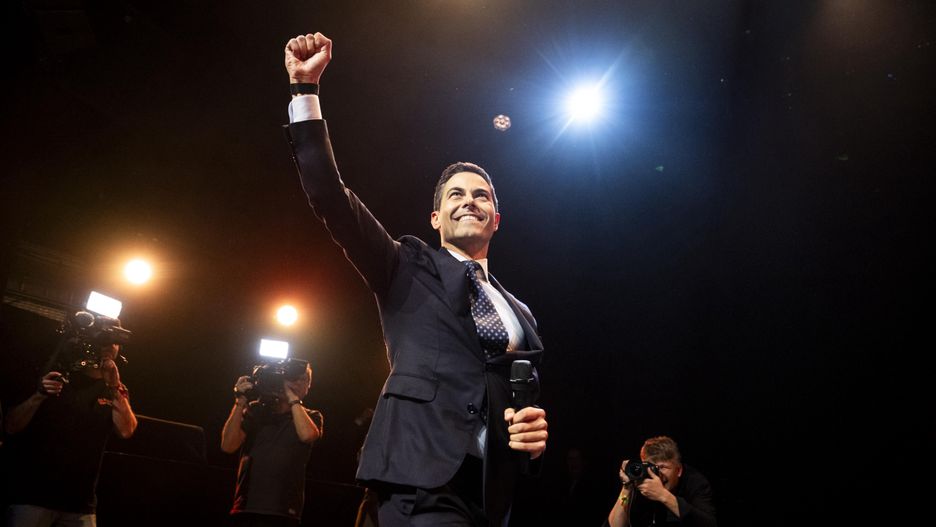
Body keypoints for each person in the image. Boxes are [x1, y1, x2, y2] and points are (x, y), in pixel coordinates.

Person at [281, 32, 549, 526]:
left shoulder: (519, 312)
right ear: (435, 218)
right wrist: (305, 92)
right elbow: (329, 195)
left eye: (482, 195)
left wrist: (530, 430)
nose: (470, 200)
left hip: (492, 490)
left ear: (496, 218)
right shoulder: (404, 265)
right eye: (456, 195)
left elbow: (519, 396)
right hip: (419, 477)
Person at [3, 342, 138, 527]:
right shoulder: (56, 372)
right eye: (104, 337)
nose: (109, 345)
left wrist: (114, 386)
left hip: (80, 504)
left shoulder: (115, 388)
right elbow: (11, 426)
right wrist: (39, 395)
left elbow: (126, 430)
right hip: (33, 497)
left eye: (115, 340)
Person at [221, 359, 323, 527]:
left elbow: (307, 435)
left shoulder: (312, 416)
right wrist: (240, 402)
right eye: (292, 377)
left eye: (302, 379)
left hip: (283, 510)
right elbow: (228, 446)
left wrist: (291, 397)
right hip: (246, 506)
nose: (297, 382)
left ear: (308, 386)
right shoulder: (256, 410)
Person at [605, 436, 717, 527]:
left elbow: (709, 524)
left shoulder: (695, 482)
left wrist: (663, 495)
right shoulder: (642, 479)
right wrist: (626, 488)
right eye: (652, 467)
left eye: (663, 467)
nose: (657, 476)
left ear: (678, 470)